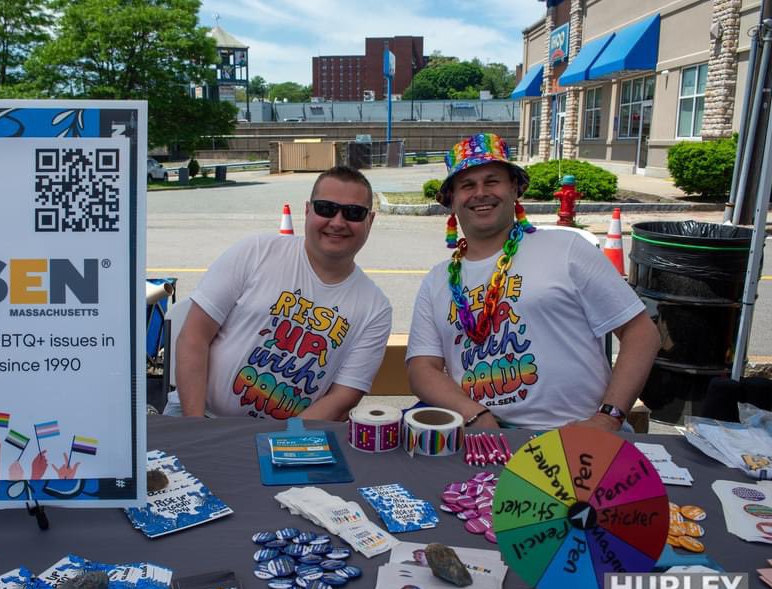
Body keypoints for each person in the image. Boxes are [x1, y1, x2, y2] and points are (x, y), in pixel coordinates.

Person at [407, 134, 661, 431]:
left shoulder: (566, 248)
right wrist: (474, 414)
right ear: (451, 201)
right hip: (486, 438)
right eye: (467, 185)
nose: (480, 193)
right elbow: (422, 369)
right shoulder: (437, 280)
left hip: (579, 436)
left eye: (492, 181)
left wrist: (608, 418)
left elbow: (642, 333)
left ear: (514, 188)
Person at [168, 166, 391, 421]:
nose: (338, 222)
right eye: (326, 208)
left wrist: (283, 445)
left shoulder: (376, 308)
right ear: (307, 211)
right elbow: (194, 337)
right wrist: (197, 426)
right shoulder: (256, 251)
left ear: (369, 221)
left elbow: (343, 397)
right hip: (201, 416)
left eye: (353, 213)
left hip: (293, 440)